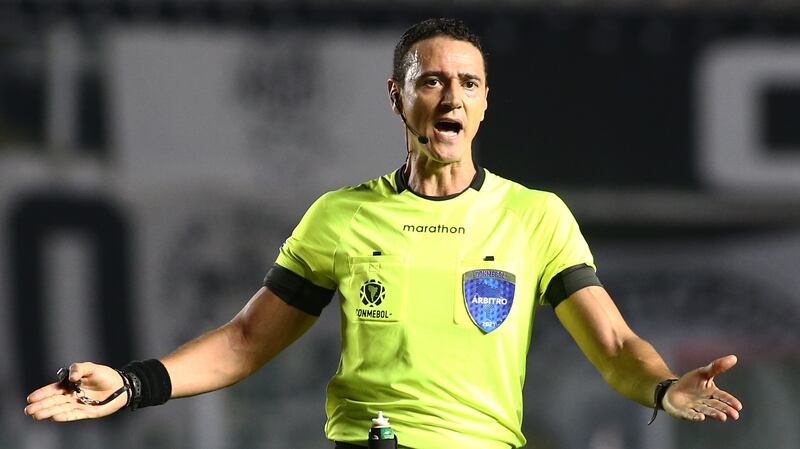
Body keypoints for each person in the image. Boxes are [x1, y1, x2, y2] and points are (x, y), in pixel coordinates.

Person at [24, 18, 742, 449]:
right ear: (398, 97)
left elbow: (614, 345)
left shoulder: (535, 216)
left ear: (485, 104)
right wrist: (134, 383)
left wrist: (663, 389)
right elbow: (245, 342)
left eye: (468, 83)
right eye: (432, 80)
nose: (451, 95)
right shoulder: (341, 216)